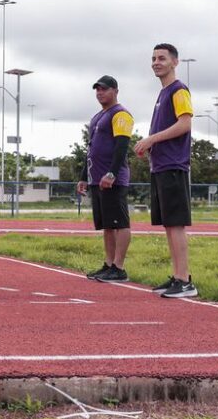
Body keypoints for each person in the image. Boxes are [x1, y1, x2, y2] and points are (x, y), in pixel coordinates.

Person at [134, 43, 197, 298]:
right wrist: (151, 147)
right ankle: (177, 276)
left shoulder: (179, 90)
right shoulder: (163, 93)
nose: (156, 62)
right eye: (153, 58)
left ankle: (185, 280)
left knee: (176, 224)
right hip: (160, 165)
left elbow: (185, 123)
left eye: (161, 58)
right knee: (169, 225)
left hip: (173, 165)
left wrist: (152, 139)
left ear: (175, 62)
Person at [77, 75, 134, 283]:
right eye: (97, 90)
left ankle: (119, 267)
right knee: (108, 225)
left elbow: (121, 147)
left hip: (113, 180)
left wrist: (112, 173)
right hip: (96, 179)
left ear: (115, 91)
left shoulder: (121, 115)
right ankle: (109, 264)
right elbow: (91, 150)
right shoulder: (97, 117)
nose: (100, 93)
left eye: (104, 89)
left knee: (120, 223)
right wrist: (84, 177)